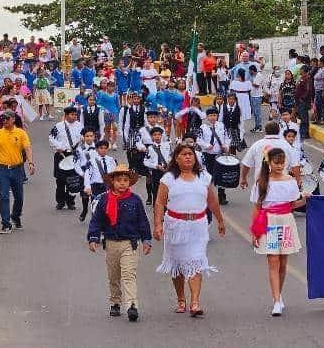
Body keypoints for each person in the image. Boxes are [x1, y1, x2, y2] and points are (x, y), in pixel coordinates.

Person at [153, 144, 225, 317]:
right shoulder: (169, 179)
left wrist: (220, 220)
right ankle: (181, 299)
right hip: (175, 225)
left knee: (196, 260)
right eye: (184, 154)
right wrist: (158, 225)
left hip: (198, 225)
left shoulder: (204, 177)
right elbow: (160, 203)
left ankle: (194, 302)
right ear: (176, 158)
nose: (188, 157)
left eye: (190, 154)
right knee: (177, 263)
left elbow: (212, 201)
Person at [86, 163, 153, 322]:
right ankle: (115, 302)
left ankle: (132, 305)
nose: (122, 183)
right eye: (119, 180)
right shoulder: (104, 200)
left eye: (125, 180)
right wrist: (93, 238)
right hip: (111, 243)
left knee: (129, 274)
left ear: (129, 182)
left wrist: (146, 240)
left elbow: (142, 221)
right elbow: (97, 221)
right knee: (114, 276)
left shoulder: (135, 200)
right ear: (112, 182)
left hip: (130, 244)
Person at [251, 148, 308, 317]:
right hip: (269, 222)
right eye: (276, 162)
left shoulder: (290, 180)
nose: (279, 166)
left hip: (286, 221)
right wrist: (255, 231)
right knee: (273, 260)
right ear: (268, 163)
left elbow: (292, 205)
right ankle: (276, 300)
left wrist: (304, 199)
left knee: (283, 262)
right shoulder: (261, 182)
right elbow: (257, 207)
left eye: (282, 162)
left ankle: (279, 294)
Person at [0, 111, 34, 234]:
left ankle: (15, 215)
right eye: (3, 119)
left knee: (19, 197)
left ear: (13, 119)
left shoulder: (21, 133)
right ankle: (5, 223)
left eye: (7, 119)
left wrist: (30, 163)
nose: (5, 121)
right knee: (4, 196)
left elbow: (27, 148)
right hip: (2, 169)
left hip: (17, 169)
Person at [50, 106, 84, 211]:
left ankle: (70, 201)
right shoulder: (58, 126)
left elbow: (85, 139)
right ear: (66, 115)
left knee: (73, 180)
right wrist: (59, 146)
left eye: (75, 115)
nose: (74, 117)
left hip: (74, 156)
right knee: (60, 180)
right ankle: (60, 201)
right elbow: (51, 138)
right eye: (72, 114)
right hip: (61, 155)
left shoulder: (80, 126)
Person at [198, 107, 232, 205]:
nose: (213, 117)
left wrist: (226, 146)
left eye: (214, 115)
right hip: (208, 155)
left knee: (221, 176)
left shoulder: (221, 125)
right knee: (208, 176)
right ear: (207, 117)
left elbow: (227, 137)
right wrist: (206, 146)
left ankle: (221, 196)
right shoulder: (203, 127)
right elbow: (199, 140)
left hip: (220, 154)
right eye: (210, 115)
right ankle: (207, 196)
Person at [143, 126, 173, 207]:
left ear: (162, 135)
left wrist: (169, 164)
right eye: (155, 135)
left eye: (159, 135)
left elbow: (171, 157)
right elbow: (145, 161)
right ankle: (156, 209)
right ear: (152, 137)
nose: (157, 137)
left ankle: (166, 209)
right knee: (156, 190)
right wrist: (155, 166)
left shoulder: (167, 145)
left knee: (167, 190)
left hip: (167, 171)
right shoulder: (150, 148)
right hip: (156, 172)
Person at [249, 65, 265, 132]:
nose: (249, 72)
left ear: (252, 70)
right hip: (253, 95)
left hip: (257, 96)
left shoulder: (259, 75)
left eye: (250, 70)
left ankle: (259, 126)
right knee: (255, 113)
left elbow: (257, 85)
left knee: (257, 112)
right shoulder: (254, 76)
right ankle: (256, 126)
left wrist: (250, 83)